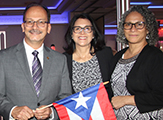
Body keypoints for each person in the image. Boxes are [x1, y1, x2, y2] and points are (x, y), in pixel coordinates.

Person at [0, 3, 72, 120]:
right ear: (23, 26)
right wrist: (12, 110)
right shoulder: (3, 57)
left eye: (41, 22)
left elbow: (65, 97)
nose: (35, 26)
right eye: (30, 21)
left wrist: (51, 112)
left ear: (48, 28)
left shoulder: (60, 60)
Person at [110, 5, 163, 119]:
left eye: (139, 24)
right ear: (123, 29)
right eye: (128, 24)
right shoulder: (117, 57)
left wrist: (126, 100)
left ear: (148, 29)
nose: (133, 29)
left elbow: (160, 96)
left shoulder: (156, 57)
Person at [63, 13, 113, 100]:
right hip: (77, 112)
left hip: (103, 111)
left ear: (93, 34)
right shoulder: (63, 60)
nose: (82, 32)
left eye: (87, 28)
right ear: (71, 34)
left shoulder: (106, 54)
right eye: (77, 29)